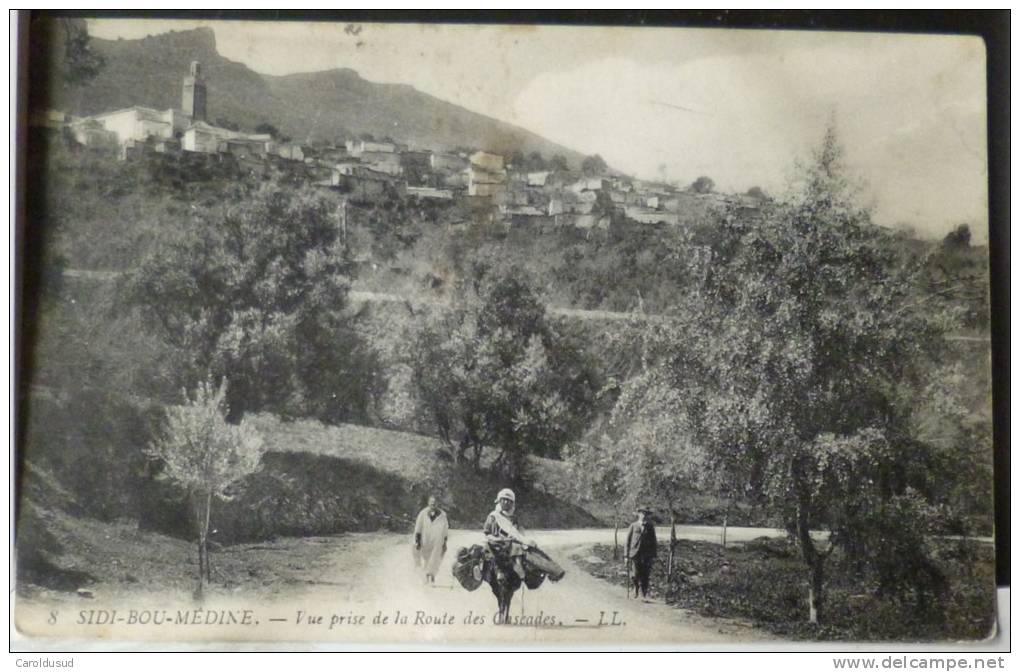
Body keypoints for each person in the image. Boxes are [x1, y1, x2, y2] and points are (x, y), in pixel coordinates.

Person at [483, 488, 533, 580]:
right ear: (499, 501)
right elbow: (487, 533)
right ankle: (499, 571)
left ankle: (519, 567)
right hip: (496, 542)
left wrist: (520, 538)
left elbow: (520, 531)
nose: (506, 502)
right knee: (491, 549)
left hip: (511, 542)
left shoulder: (514, 518)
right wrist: (496, 539)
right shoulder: (493, 516)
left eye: (509, 501)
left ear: (512, 503)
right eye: (504, 500)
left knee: (519, 547)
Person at [414, 495, 449, 584]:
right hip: (425, 540)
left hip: (437, 540)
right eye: (431, 503)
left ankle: (432, 576)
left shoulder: (442, 515)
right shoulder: (423, 513)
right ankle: (426, 575)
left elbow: (445, 529)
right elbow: (418, 527)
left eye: (435, 503)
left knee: (435, 558)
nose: (433, 505)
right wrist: (417, 541)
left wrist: (445, 542)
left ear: (437, 504)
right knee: (426, 558)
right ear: (428, 503)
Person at [624, 507, 658, 598]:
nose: (644, 516)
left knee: (645, 574)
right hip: (635, 553)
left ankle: (644, 592)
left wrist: (653, 556)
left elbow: (654, 542)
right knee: (635, 574)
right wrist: (626, 556)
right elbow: (627, 541)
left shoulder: (650, 527)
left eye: (646, 514)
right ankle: (635, 587)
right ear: (638, 514)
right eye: (642, 513)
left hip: (646, 555)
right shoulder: (633, 525)